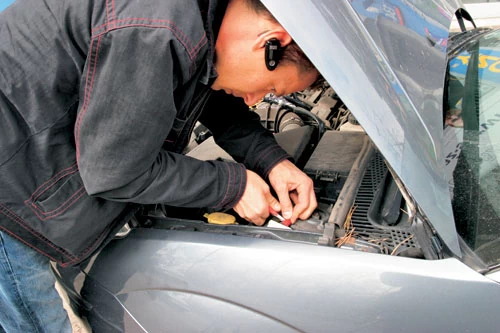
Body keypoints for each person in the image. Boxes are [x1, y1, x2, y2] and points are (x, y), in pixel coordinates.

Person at [0, 0, 320, 331]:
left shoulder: (200, 16)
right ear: (271, 42)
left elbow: (209, 90)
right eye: (270, 88)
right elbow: (115, 171)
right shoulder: (154, 31)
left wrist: (272, 160)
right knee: (36, 322)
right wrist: (232, 186)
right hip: (8, 193)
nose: (254, 99)